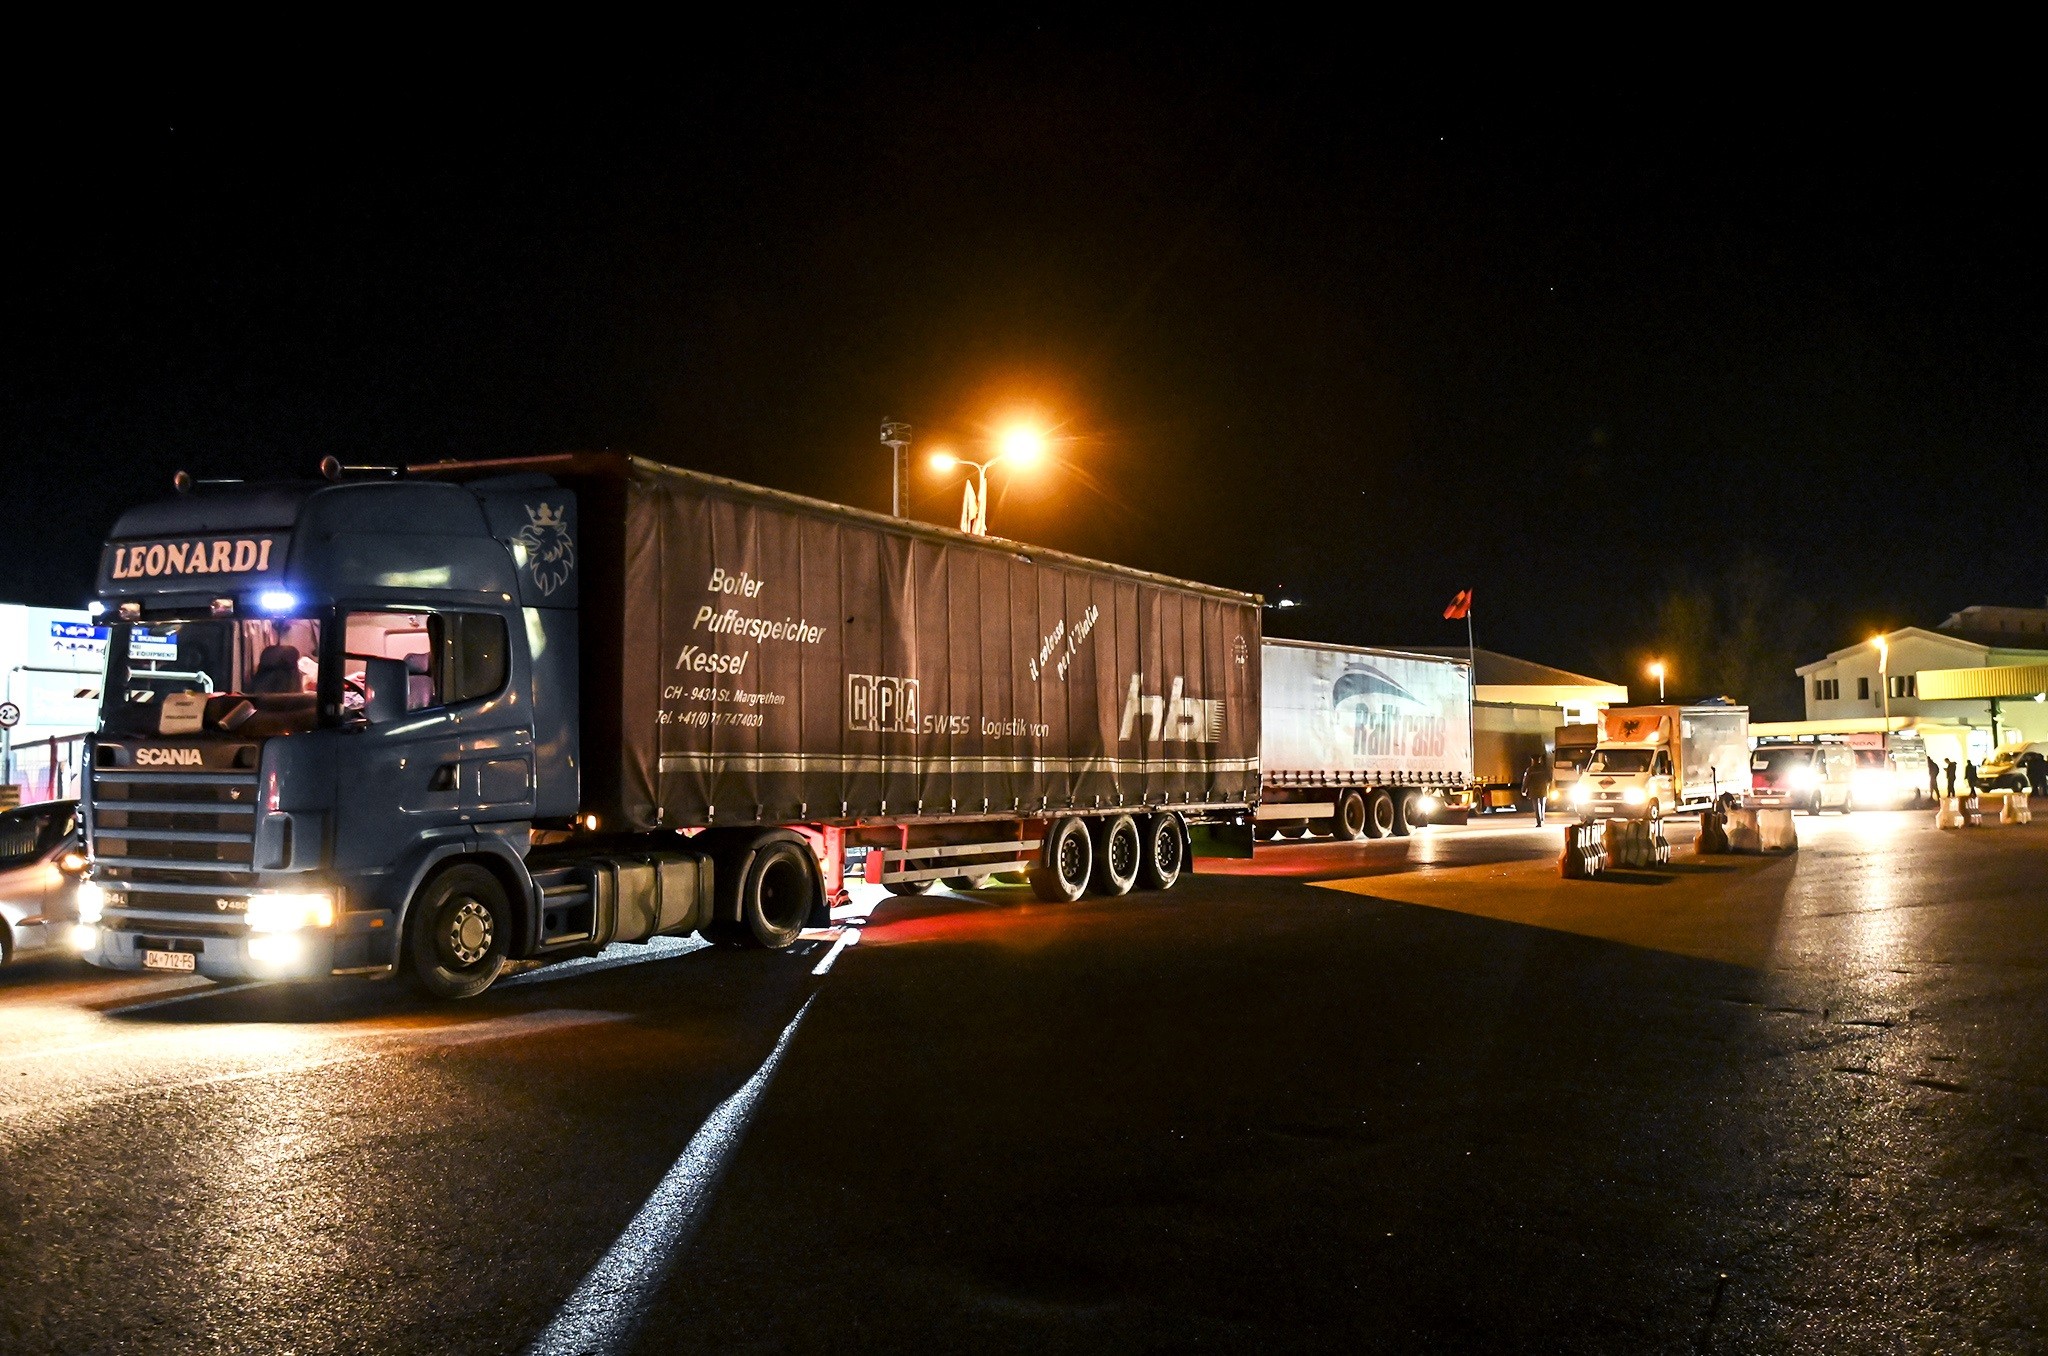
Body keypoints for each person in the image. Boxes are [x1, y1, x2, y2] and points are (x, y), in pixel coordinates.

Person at [1522, 753, 1549, 827]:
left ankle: (1539, 822)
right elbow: (1549, 779)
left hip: (1534, 790)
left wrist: (1523, 790)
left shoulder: (1530, 770)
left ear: (1533, 761)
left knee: (1536, 806)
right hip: (1543, 789)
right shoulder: (1544, 769)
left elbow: (1526, 781)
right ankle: (1542, 819)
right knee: (1542, 805)